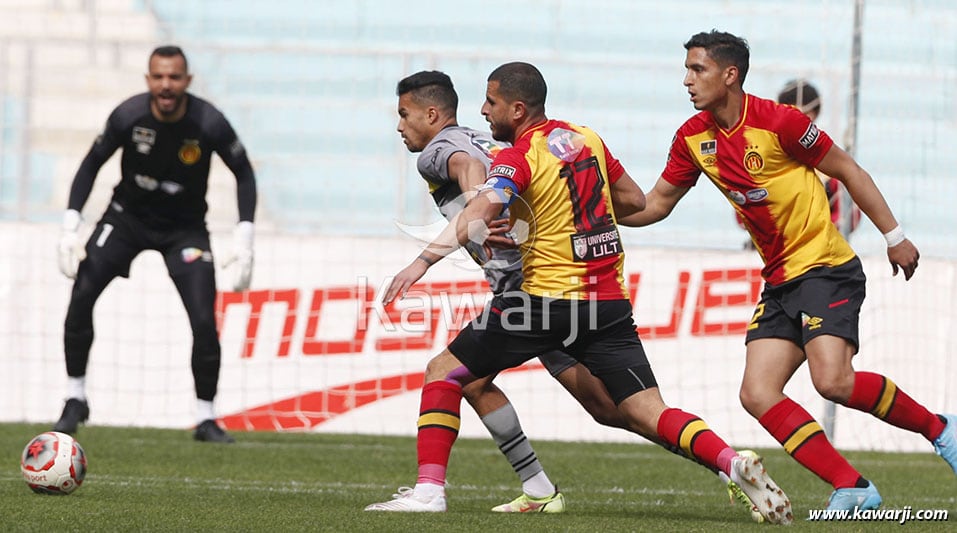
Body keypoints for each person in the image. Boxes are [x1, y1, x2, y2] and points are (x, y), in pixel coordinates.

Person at [366, 62, 792, 525]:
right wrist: (578, 212)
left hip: (543, 301)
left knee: (444, 372)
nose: (484, 111)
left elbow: (481, 200)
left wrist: (423, 260)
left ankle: (429, 492)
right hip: (607, 303)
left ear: (517, 109)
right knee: (637, 409)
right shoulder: (585, 138)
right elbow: (633, 200)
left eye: (491, 102)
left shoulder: (512, 157)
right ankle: (730, 462)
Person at [617, 30, 957, 512]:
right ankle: (853, 486)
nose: (687, 80)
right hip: (779, 282)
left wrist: (894, 236)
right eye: (687, 70)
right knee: (757, 393)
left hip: (825, 268)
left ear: (729, 75)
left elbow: (848, 170)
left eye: (697, 69)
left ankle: (940, 430)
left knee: (832, 381)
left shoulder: (781, 122)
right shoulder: (692, 138)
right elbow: (655, 204)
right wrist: (593, 211)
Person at [53, 45, 257, 444]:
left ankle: (206, 418)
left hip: (185, 230)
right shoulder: (128, 116)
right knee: (82, 295)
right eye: (159, 76)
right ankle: (75, 398)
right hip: (125, 220)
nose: (166, 85)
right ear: (148, 79)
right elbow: (91, 163)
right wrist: (70, 225)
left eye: (174, 77)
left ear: (187, 81)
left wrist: (245, 236)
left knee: (204, 319)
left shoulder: (209, 122)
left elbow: (244, 173)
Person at [735, 79, 860, 248]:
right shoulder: (762, 155)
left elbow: (851, 216)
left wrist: (814, 230)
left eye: (805, 113)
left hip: (818, 247)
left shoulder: (830, 164)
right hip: (770, 246)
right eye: (791, 111)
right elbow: (742, 212)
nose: (797, 117)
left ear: (814, 115)